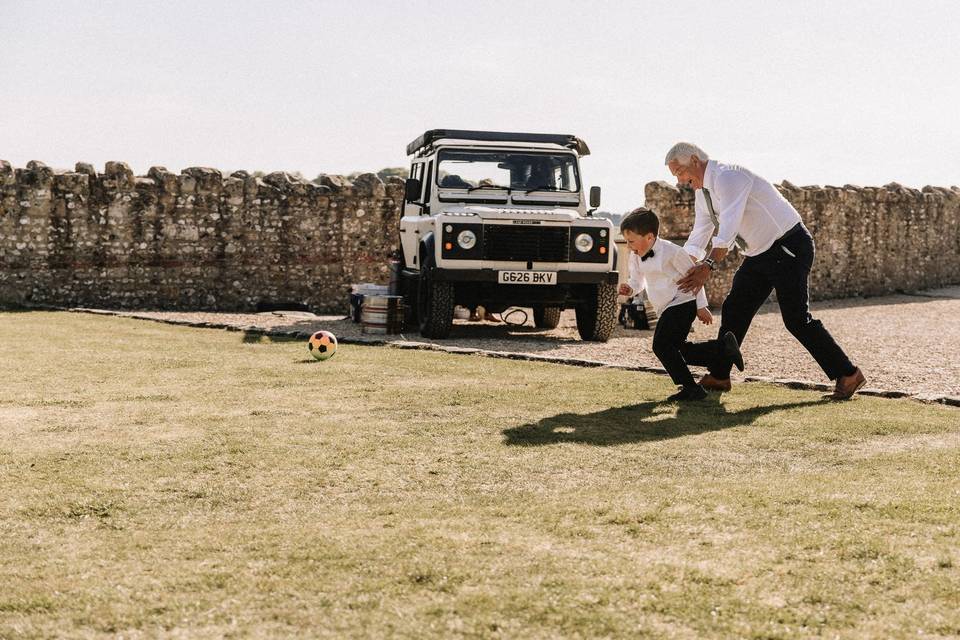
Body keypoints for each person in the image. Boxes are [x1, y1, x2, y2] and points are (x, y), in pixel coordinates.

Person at [664, 142, 866, 400]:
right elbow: (699, 235)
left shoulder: (729, 177)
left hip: (788, 246)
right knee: (734, 308)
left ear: (694, 160)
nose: (680, 181)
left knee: (796, 320)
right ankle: (720, 376)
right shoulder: (702, 193)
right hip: (758, 254)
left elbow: (727, 228)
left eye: (680, 172)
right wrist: (681, 265)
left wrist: (709, 266)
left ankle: (848, 374)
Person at [619, 208, 743, 402]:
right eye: (626, 241)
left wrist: (701, 306)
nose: (628, 246)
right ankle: (721, 350)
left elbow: (695, 278)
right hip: (665, 307)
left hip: (682, 302)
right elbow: (638, 281)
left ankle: (691, 388)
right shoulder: (636, 256)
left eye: (631, 241)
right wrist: (630, 288)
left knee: (661, 345)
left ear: (649, 237)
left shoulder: (672, 252)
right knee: (678, 350)